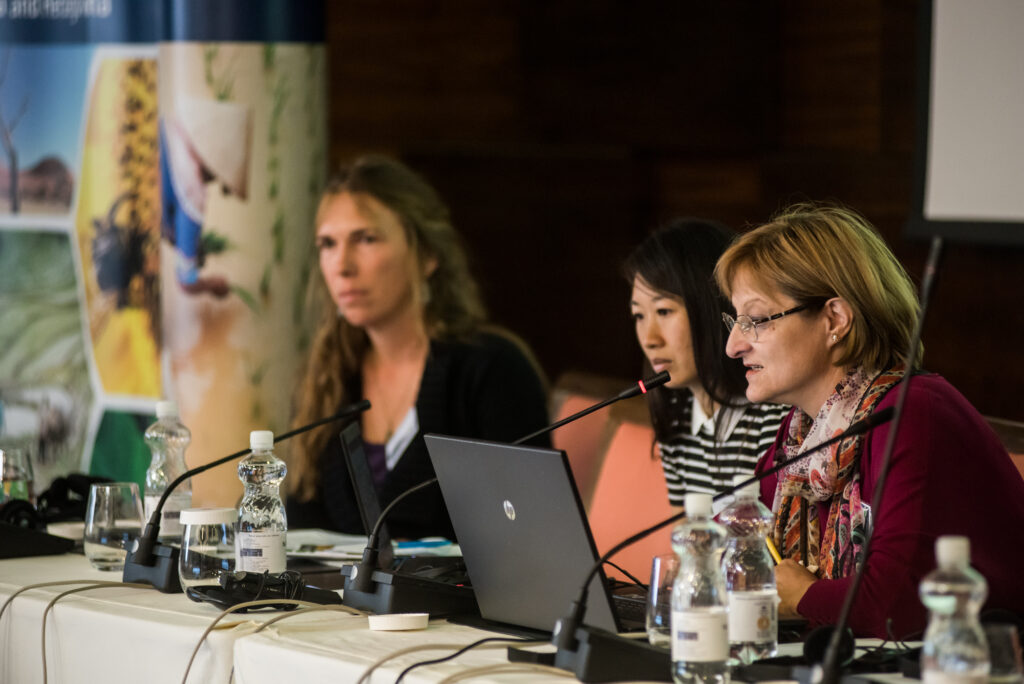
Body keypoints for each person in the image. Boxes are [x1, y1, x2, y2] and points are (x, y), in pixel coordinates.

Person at [715, 202, 1024, 638]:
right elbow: (735, 551)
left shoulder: (912, 412)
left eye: (755, 320)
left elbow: (894, 605)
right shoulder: (806, 432)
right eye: (735, 320)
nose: (733, 345)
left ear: (835, 320)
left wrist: (802, 596)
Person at [286, 155, 549, 540]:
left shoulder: (492, 369)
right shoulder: (329, 376)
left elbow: (530, 533)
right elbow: (301, 532)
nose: (342, 266)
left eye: (366, 239)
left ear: (428, 255)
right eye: (328, 244)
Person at [623, 219, 788, 506]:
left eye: (664, 311)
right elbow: (687, 530)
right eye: (639, 315)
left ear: (713, 308)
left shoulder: (774, 417)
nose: (649, 339)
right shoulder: (676, 419)